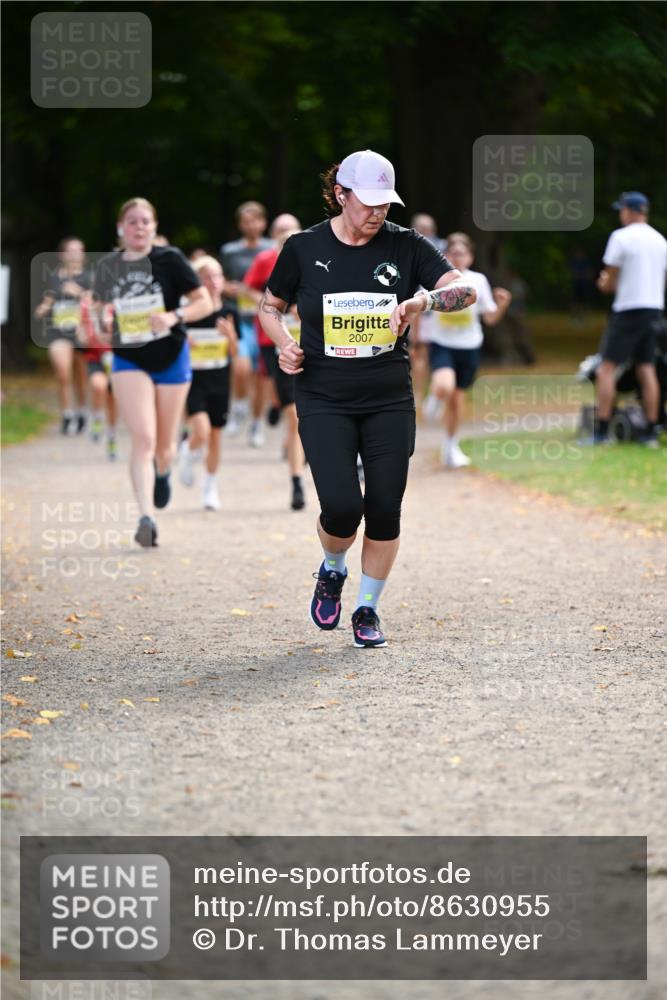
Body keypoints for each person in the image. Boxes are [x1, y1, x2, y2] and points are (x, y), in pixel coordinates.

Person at [259, 149, 475, 648]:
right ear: (341, 195)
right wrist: (285, 344)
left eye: (385, 203)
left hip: (387, 398)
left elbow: (464, 292)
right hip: (323, 396)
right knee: (340, 509)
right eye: (368, 202)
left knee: (384, 508)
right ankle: (333, 567)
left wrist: (423, 300)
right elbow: (270, 306)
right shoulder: (302, 247)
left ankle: (367, 609)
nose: (378, 212)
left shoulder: (406, 246)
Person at [93, 197, 212, 546]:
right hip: (129, 358)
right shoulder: (108, 266)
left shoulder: (170, 259)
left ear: (154, 227)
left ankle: (164, 472)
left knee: (164, 446)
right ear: (121, 228)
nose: (139, 227)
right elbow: (100, 309)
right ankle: (146, 517)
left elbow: (204, 301)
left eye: (145, 221)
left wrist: (173, 316)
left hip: (172, 355)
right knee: (143, 440)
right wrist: (104, 318)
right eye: (132, 221)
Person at [422, 233, 511, 467]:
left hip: (469, 346)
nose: (457, 257)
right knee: (444, 385)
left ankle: (451, 448)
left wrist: (502, 305)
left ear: (470, 257)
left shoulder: (478, 281)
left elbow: (490, 318)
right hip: (442, 343)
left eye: (462, 253)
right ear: (445, 255)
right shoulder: (436, 279)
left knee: (457, 401)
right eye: (453, 253)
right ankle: (434, 398)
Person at [242, 214, 307, 511]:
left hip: (317, 351)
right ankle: (296, 482)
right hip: (277, 347)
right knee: (294, 416)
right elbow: (251, 294)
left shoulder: (318, 271)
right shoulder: (268, 268)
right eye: (283, 242)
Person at [595, 192, 667, 447]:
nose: (620, 214)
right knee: (646, 369)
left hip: (627, 310)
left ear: (630, 210)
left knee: (606, 368)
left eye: (622, 209)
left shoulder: (621, 237)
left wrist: (604, 283)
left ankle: (602, 431)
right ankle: (650, 432)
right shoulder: (660, 240)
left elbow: (610, 277)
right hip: (654, 310)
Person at [178, 255, 239, 510]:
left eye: (217, 276)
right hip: (193, 379)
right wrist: (184, 343)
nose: (213, 282)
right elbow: (171, 345)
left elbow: (235, 353)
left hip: (220, 380)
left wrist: (230, 336)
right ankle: (186, 452)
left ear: (223, 280)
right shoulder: (189, 313)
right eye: (206, 277)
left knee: (215, 435)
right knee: (200, 430)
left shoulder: (229, 312)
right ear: (197, 282)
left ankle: (210, 487)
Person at [220, 201, 273, 443]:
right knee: (241, 367)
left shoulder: (273, 249)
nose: (251, 225)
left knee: (262, 376)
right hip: (239, 316)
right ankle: (239, 406)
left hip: (265, 318)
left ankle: (257, 422)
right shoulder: (230, 251)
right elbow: (219, 281)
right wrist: (230, 288)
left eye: (255, 220)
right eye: (246, 221)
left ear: (263, 222)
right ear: (240, 224)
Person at [34, 236, 90, 434]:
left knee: (81, 377)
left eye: (79, 250)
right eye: (71, 250)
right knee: (63, 373)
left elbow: (97, 304)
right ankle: (67, 414)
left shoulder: (89, 277)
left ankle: (82, 411)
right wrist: (42, 308)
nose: (75, 254)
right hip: (58, 331)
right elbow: (48, 300)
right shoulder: (53, 277)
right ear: (62, 254)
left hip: (82, 333)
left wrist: (79, 293)